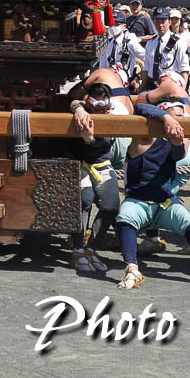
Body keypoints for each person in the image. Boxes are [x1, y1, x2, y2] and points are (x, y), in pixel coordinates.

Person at [113, 96, 190, 291]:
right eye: (175, 117)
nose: (178, 122)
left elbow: (178, 154)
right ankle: (132, 269)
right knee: (125, 217)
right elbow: (140, 106)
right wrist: (166, 118)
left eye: (181, 117)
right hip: (138, 201)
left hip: (165, 203)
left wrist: (176, 141)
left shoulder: (180, 139)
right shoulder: (145, 134)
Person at [62, 80, 130, 272]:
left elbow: (103, 144)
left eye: (105, 105)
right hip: (78, 162)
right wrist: (78, 109)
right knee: (84, 200)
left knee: (111, 205)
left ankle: (91, 247)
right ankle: (77, 249)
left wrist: (90, 139)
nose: (102, 110)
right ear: (90, 103)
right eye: (97, 104)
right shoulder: (81, 109)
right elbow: (73, 101)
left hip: (101, 164)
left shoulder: (111, 118)